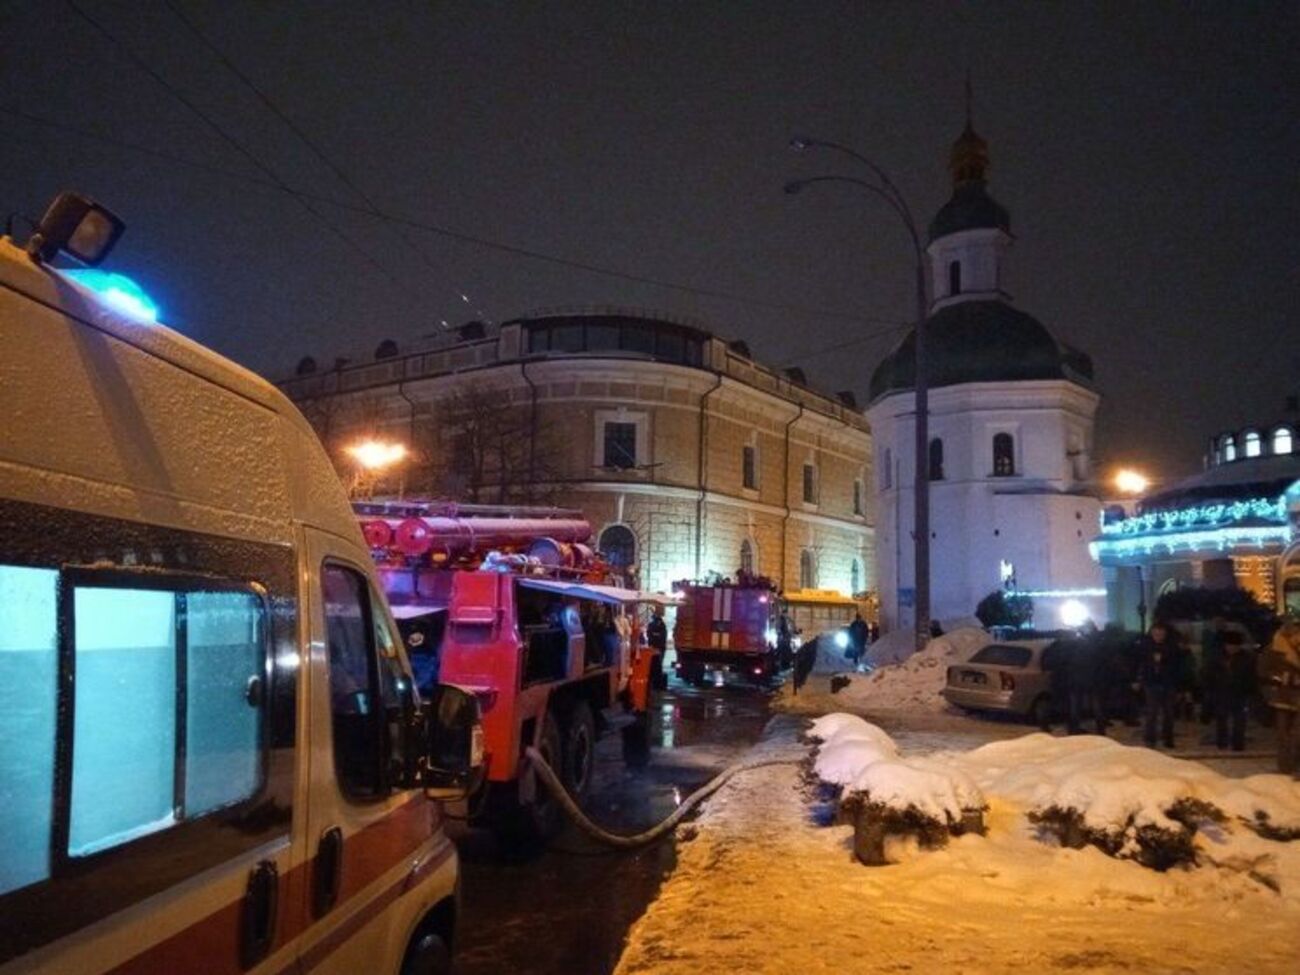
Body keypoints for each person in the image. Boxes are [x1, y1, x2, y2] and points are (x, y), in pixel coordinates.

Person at [1136, 621, 1189, 749]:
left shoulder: (1172, 648)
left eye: (1160, 633)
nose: (1158, 635)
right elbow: (1141, 664)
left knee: (1168, 713)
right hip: (1151, 683)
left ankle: (1168, 739)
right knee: (1152, 713)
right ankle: (1150, 739)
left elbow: (1178, 667)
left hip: (1168, 683)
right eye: (1156, 633)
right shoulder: (1145, 647)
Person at [1262, 617, 1300, 776]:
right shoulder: (1273, 648)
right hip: (1282, 696)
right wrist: (1279, 677)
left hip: (1296, 694)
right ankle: (1286, 767)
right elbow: (1263, 670)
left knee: (1297, 734)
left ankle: (1295, 766)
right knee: (1283, 734)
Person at [1208, 630, 1256, 751]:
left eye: (1235, 646)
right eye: (1230, 645)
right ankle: (1222, 743)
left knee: (1240, 721)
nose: (1232, 648)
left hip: (1239, 693)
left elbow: (1251, 677)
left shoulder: (1247, 658)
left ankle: (1238, 744)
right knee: (1221, 719)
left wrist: (1249, 691)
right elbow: (1209, 674)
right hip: (1221, 692)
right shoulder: (1217, 657)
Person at [646, 606, 669, 690]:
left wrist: (654, 635)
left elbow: (658, 636)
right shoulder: (657, 625)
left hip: (657, 647)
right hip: (657, 647)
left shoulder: (660, 625)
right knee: (656, 665)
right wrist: (655, 635)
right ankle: (656, 683)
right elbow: (650, 634)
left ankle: (655, 682)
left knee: (656, 665)